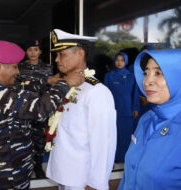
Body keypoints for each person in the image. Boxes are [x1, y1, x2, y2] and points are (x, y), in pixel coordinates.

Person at [0, 40, 84, 190]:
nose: (18, 71)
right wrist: (65, 84)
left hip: (10, 166)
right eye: (14, 67)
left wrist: (48, 81)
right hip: (6, 173)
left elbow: (21, 88)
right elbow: (39, 110)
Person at [46, 29, 117, 190]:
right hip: (65, 171)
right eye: (56, 55)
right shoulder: (63, 85)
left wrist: (96, 183)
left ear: (80, 53)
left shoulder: (96, 92)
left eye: (62, 54)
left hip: (82, 178)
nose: (56, 60)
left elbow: (103, 143)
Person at [118, 49, 181, 190]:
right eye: (145, 73)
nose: (147, 81)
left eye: (158, 73)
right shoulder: (146, 118)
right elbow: (129, 175)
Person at [18, 40, 52, 178]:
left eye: (36, 49)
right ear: (26, 52)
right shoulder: (19, 67)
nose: (33, 52)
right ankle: (23, 167)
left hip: (40, 108)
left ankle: (38, 166)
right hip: (23, 108)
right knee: (22, 137)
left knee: (39, 138)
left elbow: (50, 88)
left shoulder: (47, 68)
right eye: (30, 49)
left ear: (40, 51)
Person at [104, 52, 139, 162]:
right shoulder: (109, 75)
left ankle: (125, 158)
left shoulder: (131, 76)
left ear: (126, 62)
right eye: (117, 60)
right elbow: (104, 93)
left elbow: (135, 93)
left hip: (127, 111)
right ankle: (113, 158)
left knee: (126, 135)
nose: (119, 62)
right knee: (113, 135)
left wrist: (135, 108)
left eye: (122, 60)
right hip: (112, 110)